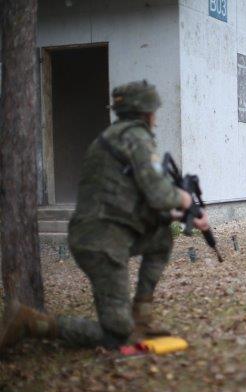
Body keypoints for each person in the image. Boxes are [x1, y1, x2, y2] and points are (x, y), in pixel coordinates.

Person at [0, 80, 211, 352]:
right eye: (155, 112)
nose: (156, 119)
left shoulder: (114, 137)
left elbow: (140, 199)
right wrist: (184, 200)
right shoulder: (135, 138)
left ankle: (142, 320)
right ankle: (31, 322)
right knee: (117, 335)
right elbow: (159, 194)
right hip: (102, 244)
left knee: (160, 237)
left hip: (107, 235)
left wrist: (181, 216)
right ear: (146, 113)